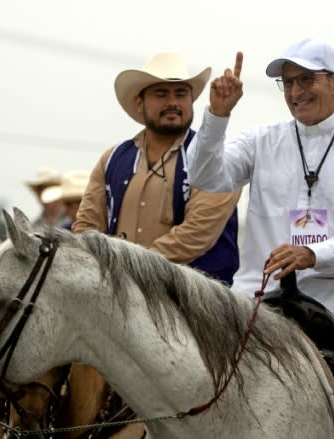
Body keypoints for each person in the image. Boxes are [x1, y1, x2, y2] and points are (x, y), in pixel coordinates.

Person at [186, 37, 334, 439]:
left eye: (306, 79)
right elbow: (205, 175)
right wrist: (217, 117)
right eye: (288, 83)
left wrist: (313, 254)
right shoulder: (261, 140)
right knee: (191, 381)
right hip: (258, 295)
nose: (295, 92)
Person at [73, 51, 240, 285]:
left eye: (181, 93)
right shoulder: (112, 159)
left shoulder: (217, 157)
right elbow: (87, 227)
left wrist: (128, 271)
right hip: (120, 294)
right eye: (161, 94)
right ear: (139, 103)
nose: (173, 102)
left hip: (194, 303)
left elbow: (196, 235)